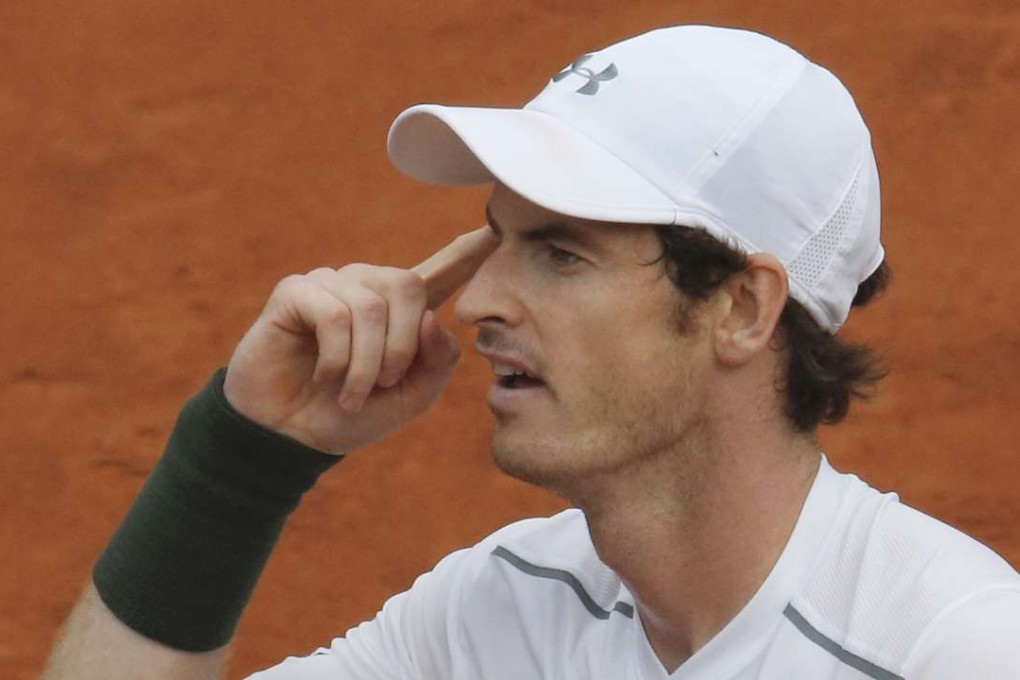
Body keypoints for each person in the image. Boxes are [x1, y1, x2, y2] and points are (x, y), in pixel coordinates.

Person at [43, 24, 1019, 680]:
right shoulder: (502, 611)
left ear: (741, 305)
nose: (474, 300)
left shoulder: (950, 647)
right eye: (498, 238)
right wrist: (241, 458)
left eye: (560, 252)